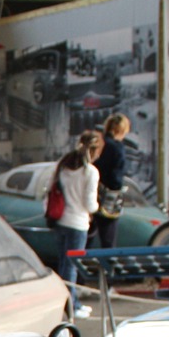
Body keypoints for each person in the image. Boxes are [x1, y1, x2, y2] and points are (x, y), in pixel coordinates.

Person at [50, 129, 102, 314]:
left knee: (64, 264)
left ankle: (68, 302)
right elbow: (89, 203)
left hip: (60, 219)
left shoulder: (63, 166)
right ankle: (72, 306)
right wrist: (98, 208)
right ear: (96, 150)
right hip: (78, 223)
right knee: (72, 266)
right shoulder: (90, 172)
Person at [92, 113, 130, 249]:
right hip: (108, 198)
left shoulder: (97, 143)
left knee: (87, 239)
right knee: (108, 241)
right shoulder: (117, 148)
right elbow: (116, 177)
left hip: (91, 194)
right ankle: (107, 269)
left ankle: (82, 269)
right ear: (122, 130)